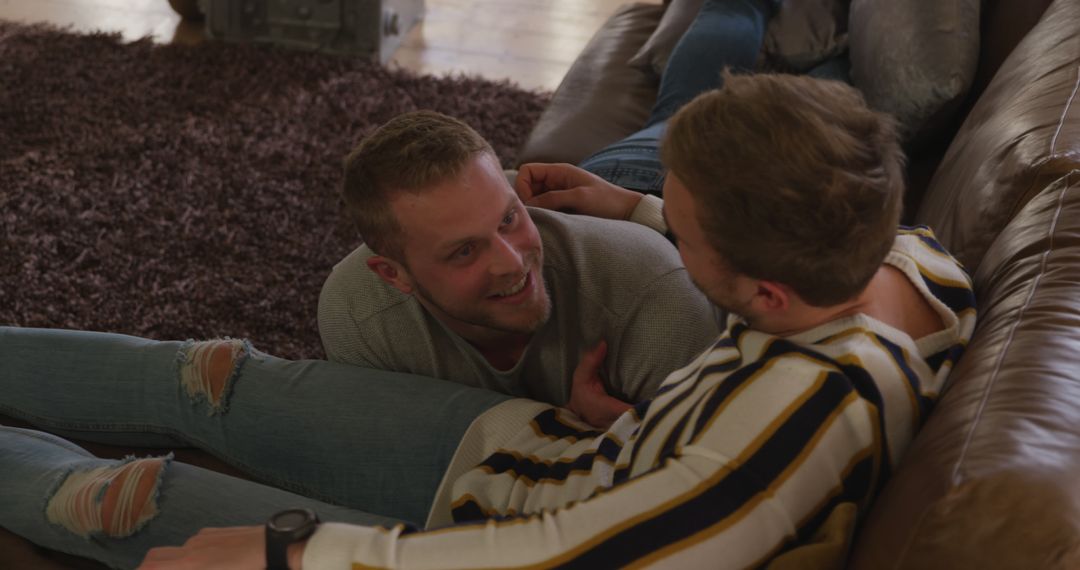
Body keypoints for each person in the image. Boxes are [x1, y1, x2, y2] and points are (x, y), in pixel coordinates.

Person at [0, 72, 975, 569]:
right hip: (533, 448)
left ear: (763, 291)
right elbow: (723, 441)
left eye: (680, 224)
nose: (665, 224)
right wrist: (631, 208)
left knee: (117, 498)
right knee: (208, 376)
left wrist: (297, 554)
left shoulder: (790, 429)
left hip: (522, 527)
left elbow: (569, 558)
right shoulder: (902, 257)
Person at [317, 110, 719, 406]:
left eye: (508, 218)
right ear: (392, 274)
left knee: (692, 110)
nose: (511, 263)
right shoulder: (356, 313)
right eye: (465, 250)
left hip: (637, 178)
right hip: (599, 223)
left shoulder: (659, 301)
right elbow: (403, 455)